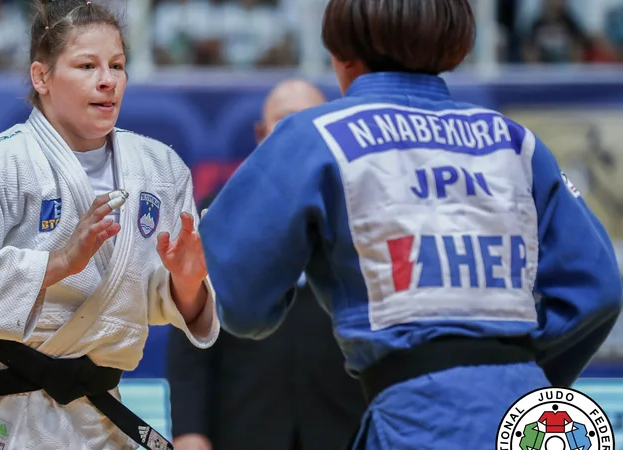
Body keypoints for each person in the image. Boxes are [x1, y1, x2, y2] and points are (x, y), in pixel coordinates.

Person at [198, 0, 623, 449]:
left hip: (418, 419)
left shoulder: (314, 135)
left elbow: (242, 303)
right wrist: (517, 374)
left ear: (341, 54)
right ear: (452, 44)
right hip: (528, 419)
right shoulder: (515, 142)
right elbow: (599, 290)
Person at [0, 1, 219, 449]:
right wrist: (57, 263)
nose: (107, 80)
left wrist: (187, 282)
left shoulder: (160, 169)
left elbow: (151, 299)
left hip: (95, 413)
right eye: (87, 65)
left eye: (117, 65)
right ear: (42, 77)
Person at [167, 79, 366, 450]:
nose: (300, 132)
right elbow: (190, 330)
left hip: (346, 429)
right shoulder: (220, 215)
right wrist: (190, 432)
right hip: (244, 427)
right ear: (261, 133)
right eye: (287, 120)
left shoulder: (361, 214)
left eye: (313, 120)